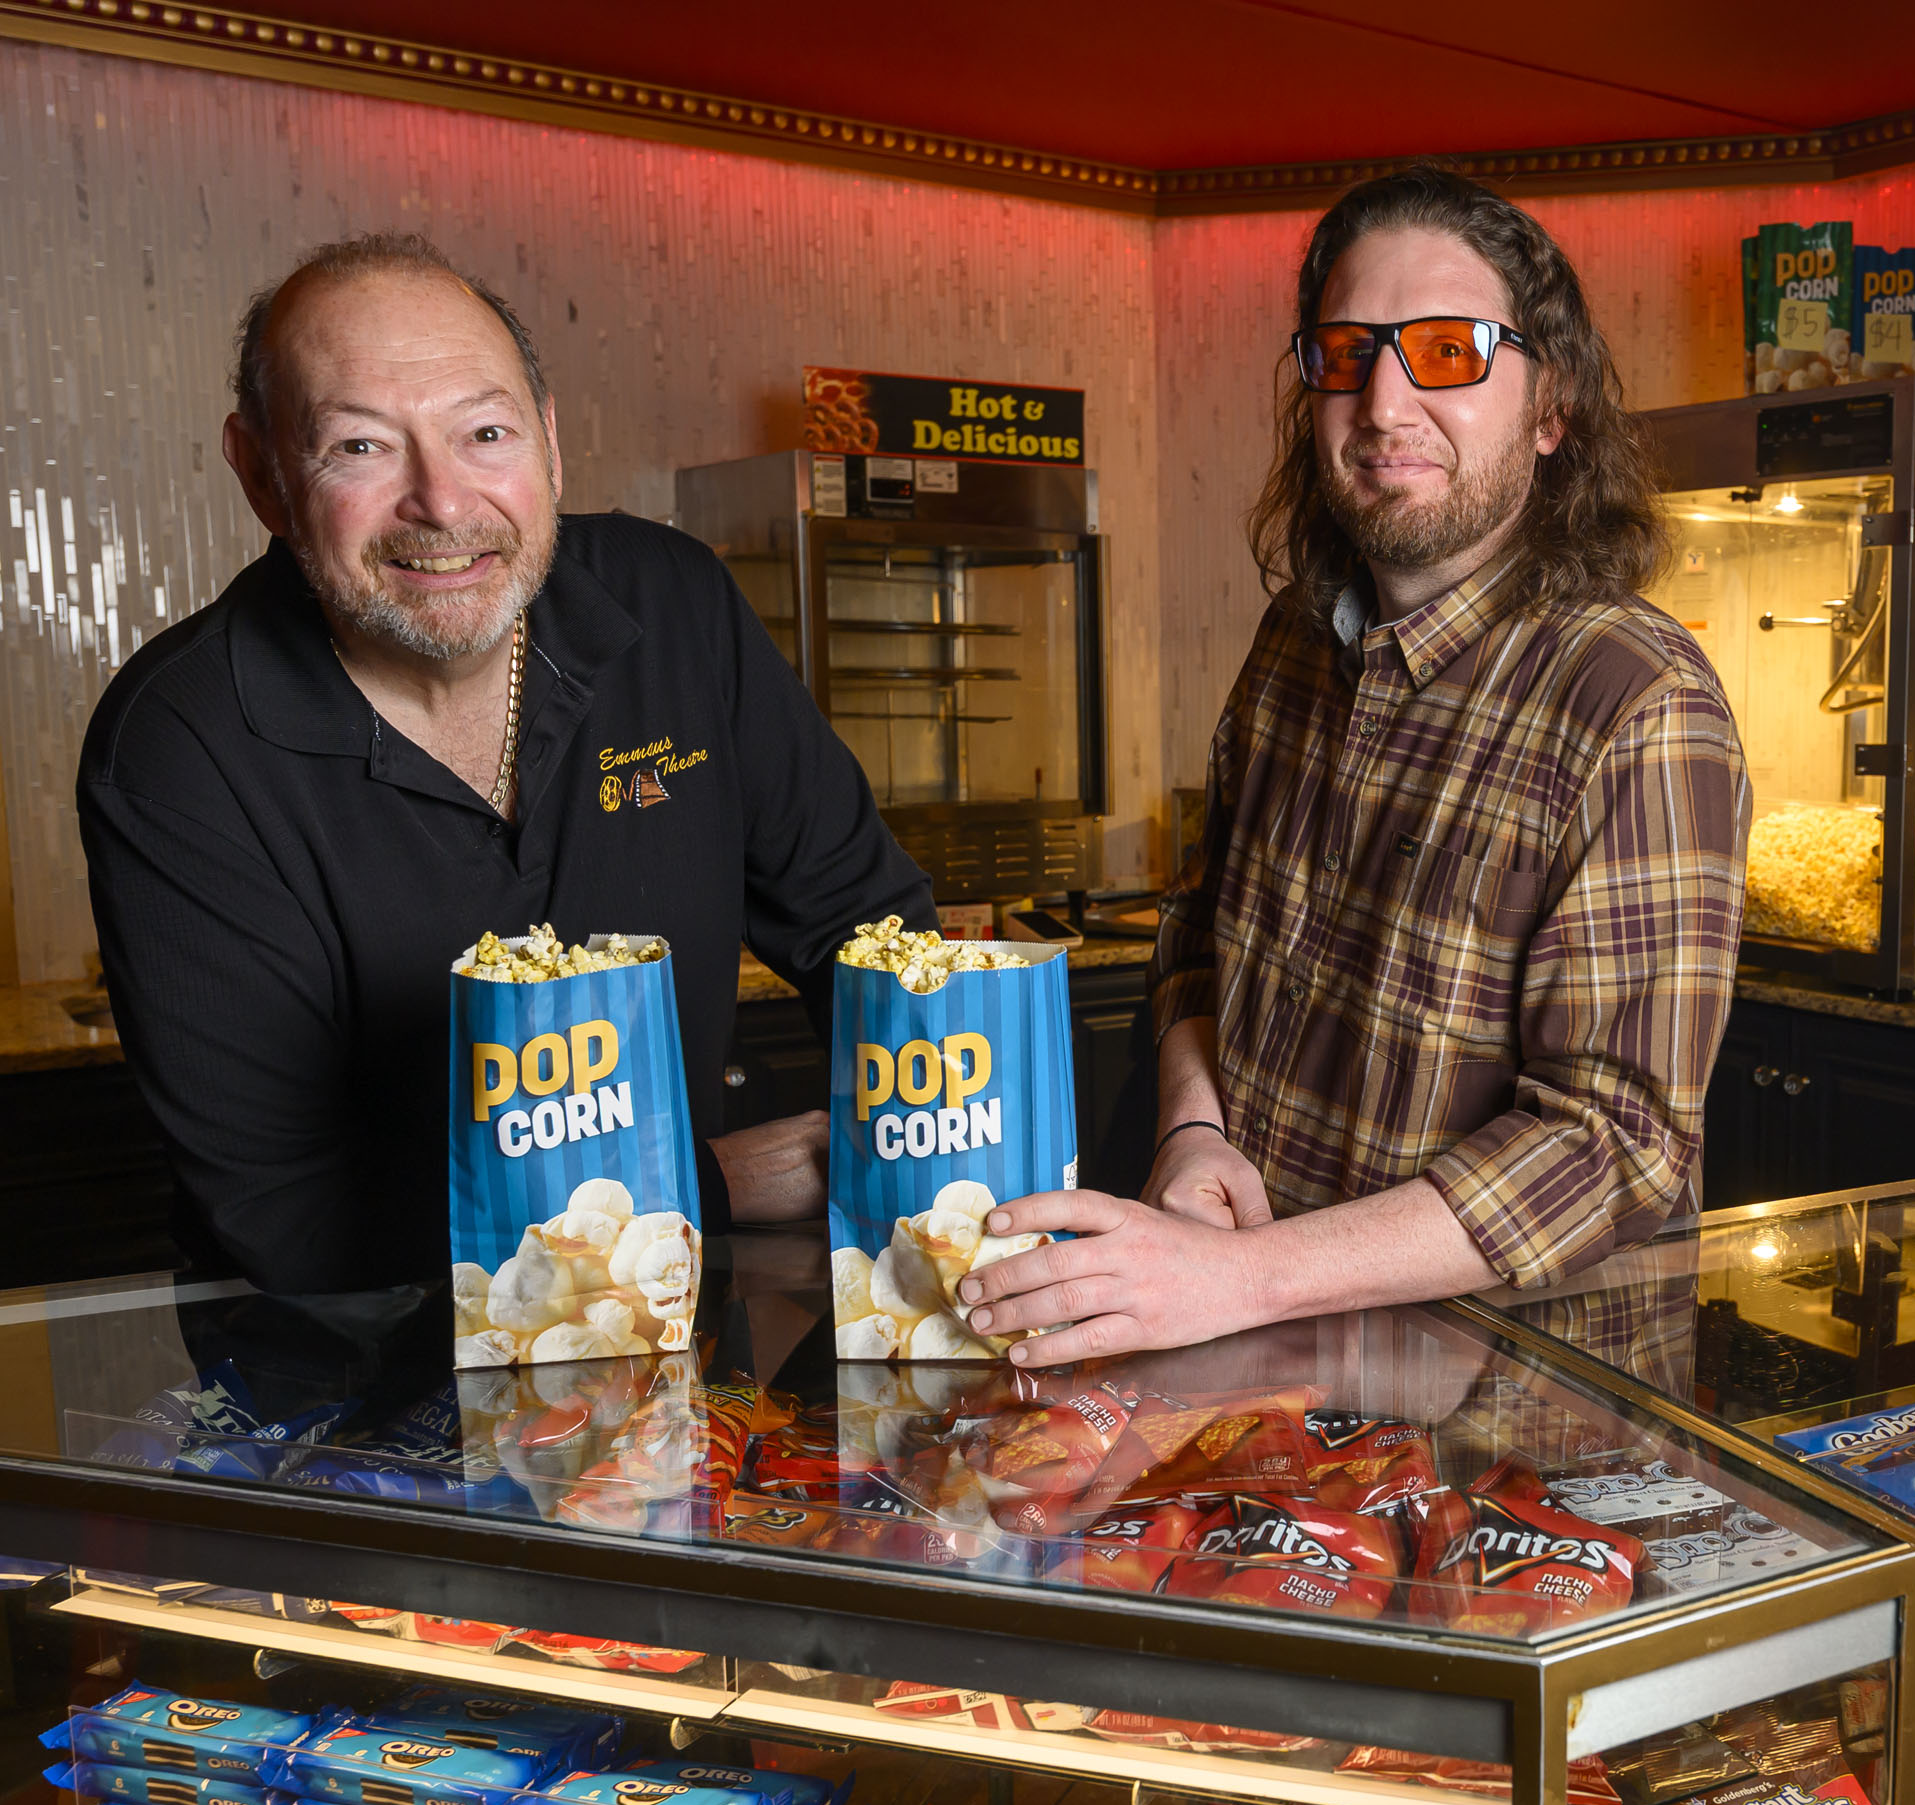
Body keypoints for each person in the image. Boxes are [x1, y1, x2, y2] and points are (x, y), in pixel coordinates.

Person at [963, 167, 1748, 1365]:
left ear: (1552, 407)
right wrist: (1191, 1132)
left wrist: (1243, 1275)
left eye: (1448, 350)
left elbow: (1614, 1147)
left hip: (1514, 1418)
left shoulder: (1637, 699)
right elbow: (1198, 939)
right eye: (1347, 354)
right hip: (1264, 1372)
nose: (1383, 401)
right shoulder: (1293, 644)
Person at [78, 235, 930, 1294]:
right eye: (360, 447)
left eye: (485, 433)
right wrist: (715, 1181)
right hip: (348, 1361)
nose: (442, 504)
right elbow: (284, 1218)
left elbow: (874, 936)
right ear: (262, 474)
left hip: (679, 1330)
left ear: (550, 444)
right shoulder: (177, 744)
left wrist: (953, 1177)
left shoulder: (674, 603)